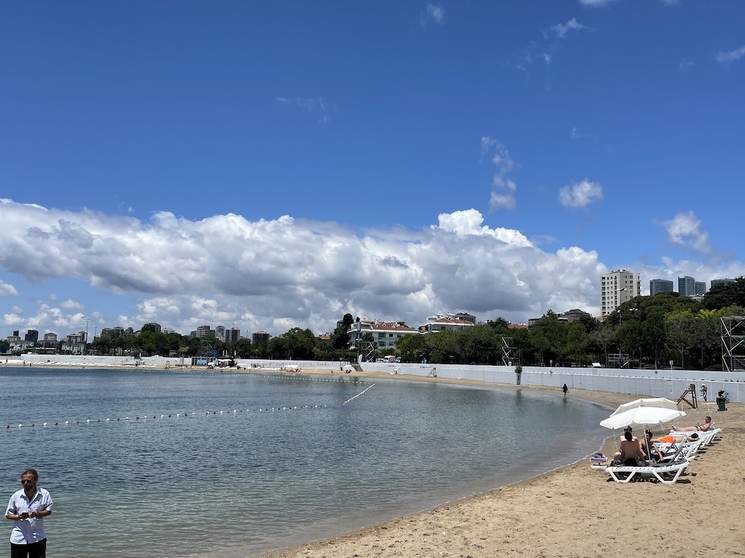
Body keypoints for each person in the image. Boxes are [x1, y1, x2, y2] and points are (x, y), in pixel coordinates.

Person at [5, 469, 53, 558]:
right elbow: (8, 514)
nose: (25, 483)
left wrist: (37, 513)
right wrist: (18, 516)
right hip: (18, 538)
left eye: (29, 481)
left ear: (36, 480)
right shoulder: (16, 496)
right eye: (23, 481)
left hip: (37, 537)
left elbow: (48, 511)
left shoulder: (44, 494)